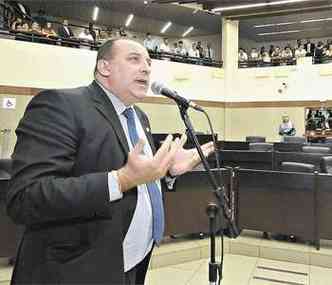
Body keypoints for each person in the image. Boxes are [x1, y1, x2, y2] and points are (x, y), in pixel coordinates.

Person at [6, 38, 214, 285]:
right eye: (134, 59)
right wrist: (121, 179)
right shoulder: (60, 105)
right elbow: (26, 198)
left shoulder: (139, 116)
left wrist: (166, 172)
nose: (146, 68)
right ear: (104, 67)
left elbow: (139, 176)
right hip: (75, 269)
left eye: (148, 62)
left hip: (131, 261)